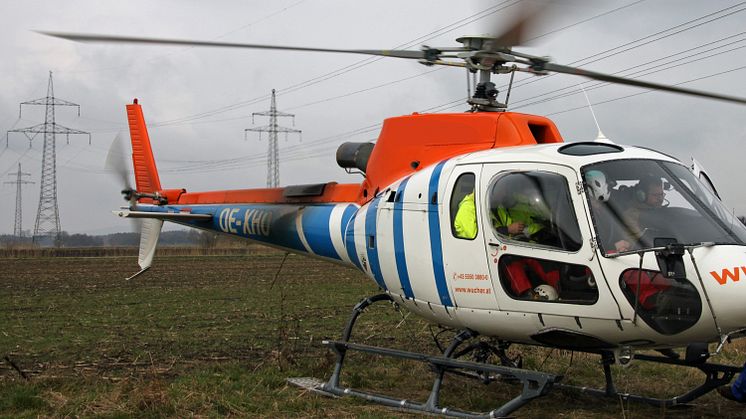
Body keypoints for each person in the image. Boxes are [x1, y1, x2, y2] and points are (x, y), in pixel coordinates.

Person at [584, 170, 631, 253]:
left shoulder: (607, 211)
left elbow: (618, 234)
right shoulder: (582, 213)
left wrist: (623, 245)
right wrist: (613, 246)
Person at [622, 175, 666, 240]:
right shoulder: (631, 216)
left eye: (661, 194)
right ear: (642, 195)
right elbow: (636, 243)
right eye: (655, 195)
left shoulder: (665, 212)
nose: (660, 199)